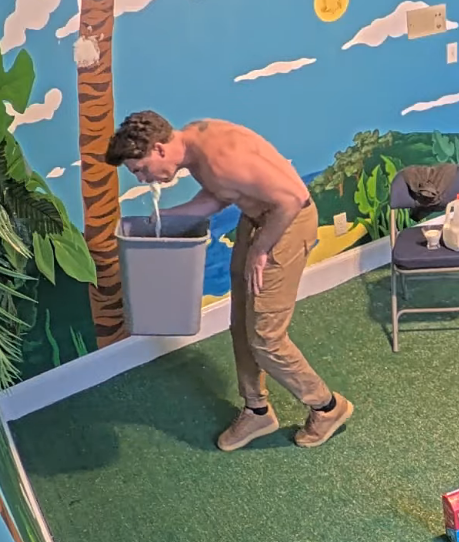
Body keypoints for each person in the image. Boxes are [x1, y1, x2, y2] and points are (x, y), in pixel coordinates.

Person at [105, 111, 354, 452]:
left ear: (159, 149)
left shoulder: (220, 158)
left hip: (287, 222)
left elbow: (292, 198)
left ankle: (327, 407)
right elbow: (219, 195)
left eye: (141, 169)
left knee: (265, 337)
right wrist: (167, 218)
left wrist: (261, 250)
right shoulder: (193, 143)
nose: (142, 178)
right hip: (256, 219)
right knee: (241, 323)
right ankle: (257, 411)